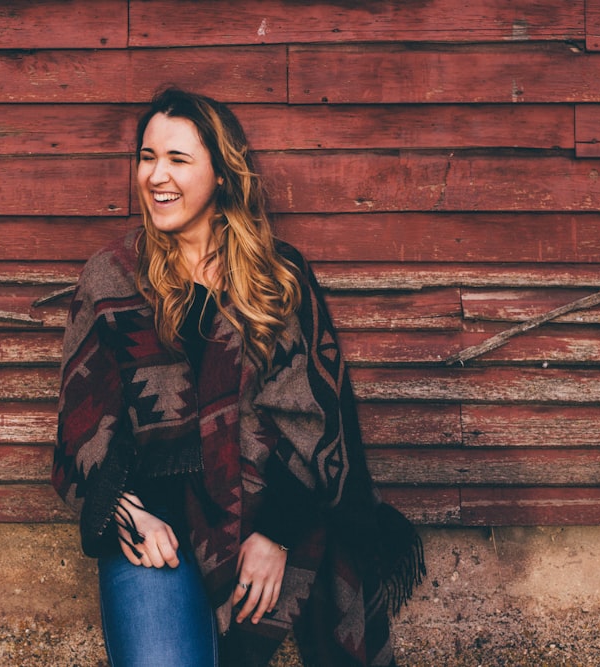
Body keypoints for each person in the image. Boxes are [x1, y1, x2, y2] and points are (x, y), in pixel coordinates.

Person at [53, 87, 425, 667]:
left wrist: (277, 535)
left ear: (222, 174)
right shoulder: (110, 277)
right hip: (155, 526)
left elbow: (318, 418)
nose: (156, 176)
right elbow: (82, 426)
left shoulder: (278, 279)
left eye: (178, 159)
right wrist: (129, 512)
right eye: (147, 157)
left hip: (265, 510)